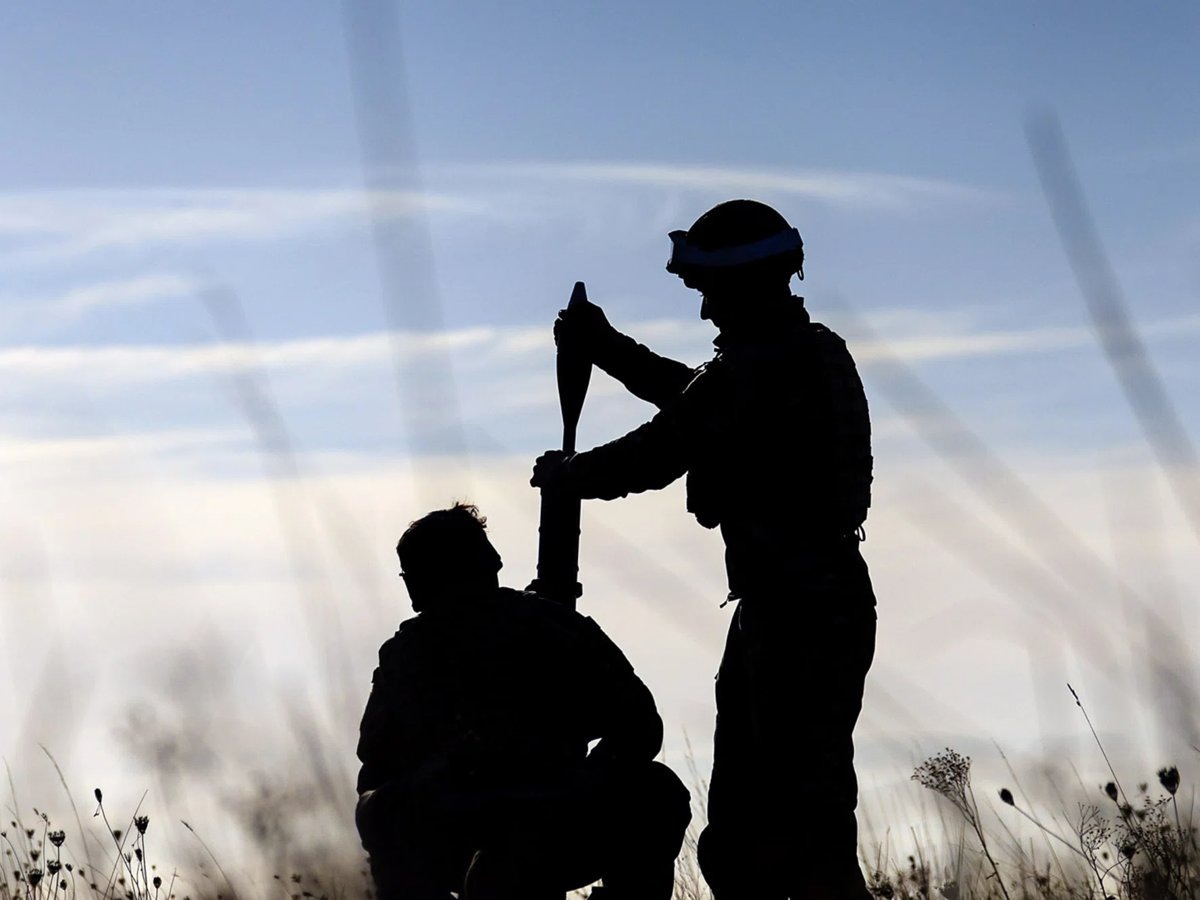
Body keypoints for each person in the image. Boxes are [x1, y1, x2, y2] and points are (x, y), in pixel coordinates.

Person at [531, 200, 876, 900]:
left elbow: (664, 446)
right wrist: (609, 348)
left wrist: (571, 476)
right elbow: (696, 399)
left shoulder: (765, 369)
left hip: (796, 614)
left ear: (746, 285)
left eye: (711, 293)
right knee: (766, 830)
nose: (705, 311)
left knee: (790, 832)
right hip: (796, 603)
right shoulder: (801, 355)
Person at [355, 503, 691, 900]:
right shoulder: (408, 655)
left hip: (550, 822)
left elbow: (639, 728)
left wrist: (572, 785)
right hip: (458, 829)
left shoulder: (550, 628)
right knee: (386, 813)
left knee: (655, 791)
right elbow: (375, 779)